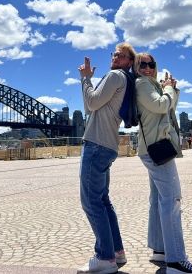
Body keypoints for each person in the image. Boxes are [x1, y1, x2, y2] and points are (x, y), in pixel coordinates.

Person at [134, 52, 192, 274]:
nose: (147, 67)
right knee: (172, 200)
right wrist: (169, 89)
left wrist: (171, 89)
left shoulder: (152, 85)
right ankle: (175, 261)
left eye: (151, 64)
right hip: (158, 150)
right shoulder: (142, 84)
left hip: (153, 148)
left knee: (158, 200)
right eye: (142, 64)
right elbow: (161, 106)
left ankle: (161, 250)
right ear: (136, 67)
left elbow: (168, 109)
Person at [77, 42, 136, 273]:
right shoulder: (127, 81)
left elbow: (91, 104)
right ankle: (117, 252)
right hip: (108, 145)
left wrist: (85, 78)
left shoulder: (114, 76)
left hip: (96, 144)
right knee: (103, 201)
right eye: (114, 54)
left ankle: (105, 258)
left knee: (91, 201)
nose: (115, 57)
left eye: (121, 56)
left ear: (129, 62)